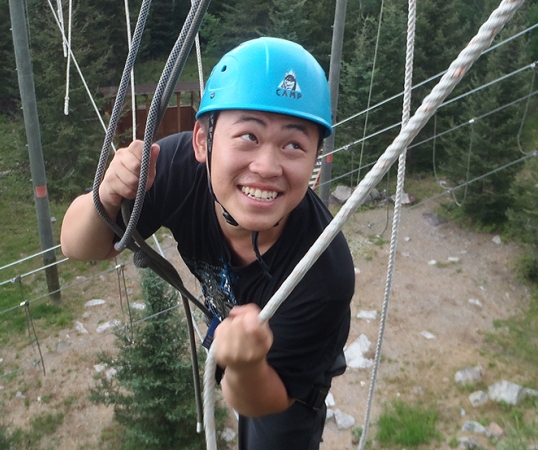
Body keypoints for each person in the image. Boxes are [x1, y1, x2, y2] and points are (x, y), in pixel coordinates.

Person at [61, 37, 354, 449]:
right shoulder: (176, 168)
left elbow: (262, 400)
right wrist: (108, 193)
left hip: (285, 372)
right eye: (248, 136)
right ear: (202, 141)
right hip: (232, 326)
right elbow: (78, 245)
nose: (267, 167)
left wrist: (247, 366)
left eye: (293, 145)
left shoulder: (324, 274)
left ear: (316, 167)